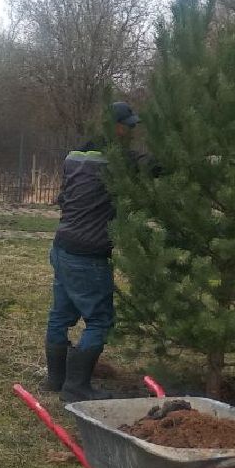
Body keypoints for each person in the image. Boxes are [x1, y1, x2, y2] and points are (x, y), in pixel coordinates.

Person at [43, 101, 141, 402]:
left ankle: (56, 380)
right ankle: (77, 387)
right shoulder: (117, 161)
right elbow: (158, 167)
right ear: (115, 127)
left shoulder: (74, 157)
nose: (132, 131)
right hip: (89, 255)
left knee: (61, 315)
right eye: (129, 126)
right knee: (99, 320)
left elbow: (64, 197)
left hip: (62, 246)